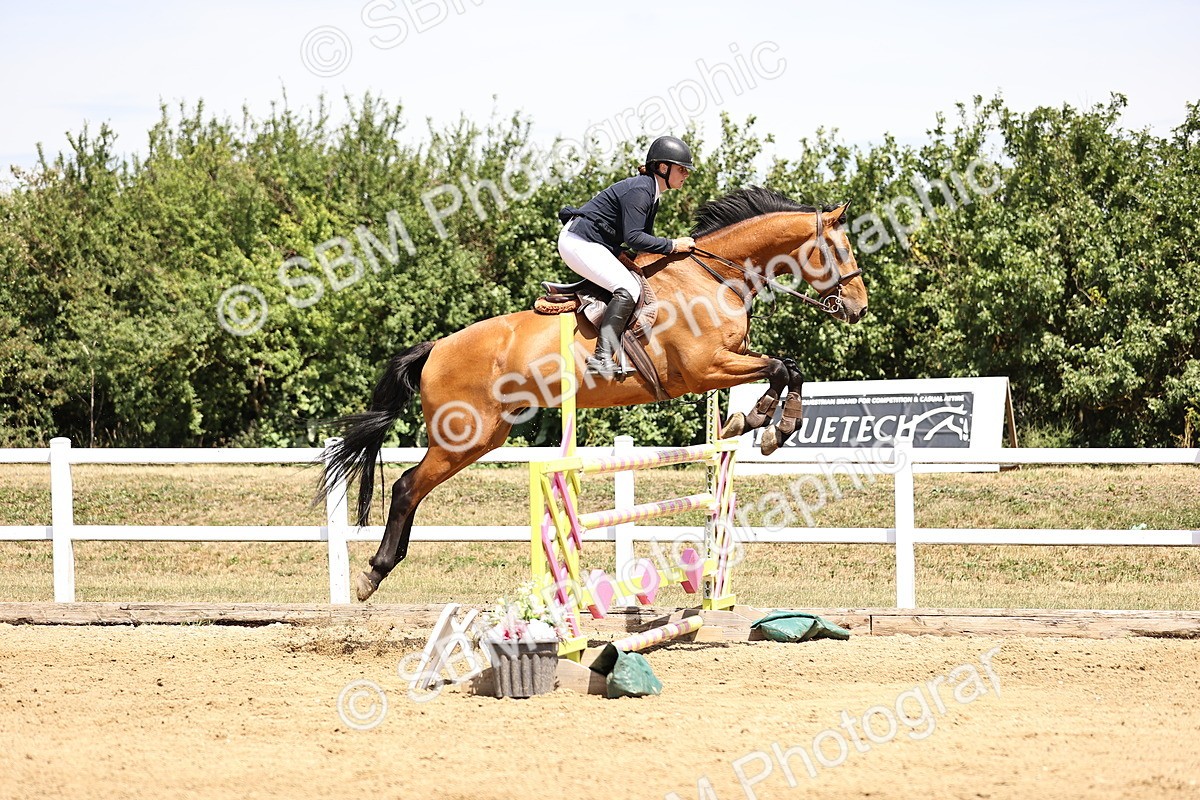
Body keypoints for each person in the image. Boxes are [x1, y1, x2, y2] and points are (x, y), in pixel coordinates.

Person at [557, 135, 696, 376]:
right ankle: (601, 358)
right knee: (628, 288)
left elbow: (643, 243)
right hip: (579, 241)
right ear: (663, 168)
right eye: (681, 169)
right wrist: (673, 245)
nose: (686, 174)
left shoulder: (651, 194)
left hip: (593, 242)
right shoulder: (641, 190)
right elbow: (634, 238)